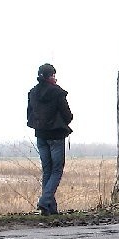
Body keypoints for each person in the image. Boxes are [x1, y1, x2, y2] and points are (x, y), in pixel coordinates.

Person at [26, 63, 73, 215]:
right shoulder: (57, 92)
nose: (54, 77)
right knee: (56, 170)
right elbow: (67, 114)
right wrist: (65, 121)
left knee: (47, 170)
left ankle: (49, 209)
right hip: (56, 136)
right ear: (49, 76)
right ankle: (44, 201)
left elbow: (29, 114)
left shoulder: (32, 93)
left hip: (41, 136)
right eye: (53, 75)